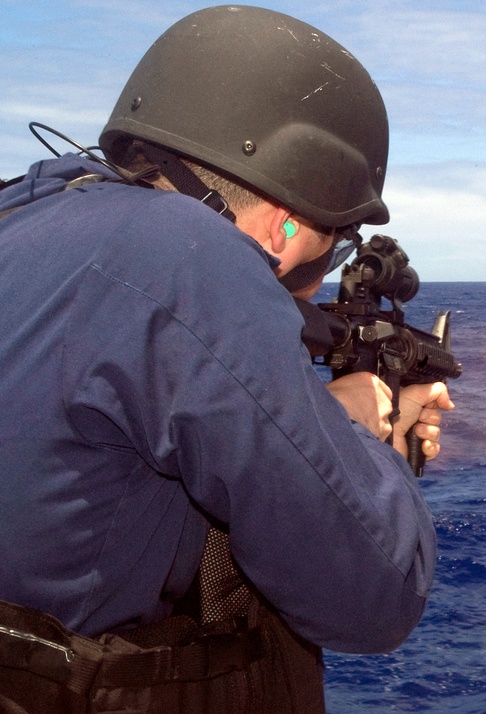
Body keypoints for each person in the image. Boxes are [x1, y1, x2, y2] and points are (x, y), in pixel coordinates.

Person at [0, 5, 453, 712]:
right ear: (285, 225)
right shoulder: (191, 262)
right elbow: (375, 594)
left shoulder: (27, 211)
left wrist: (319, 414)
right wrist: (370, 438)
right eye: (335, 248)